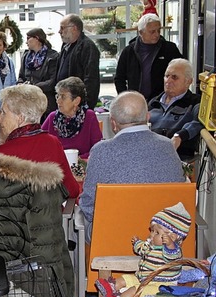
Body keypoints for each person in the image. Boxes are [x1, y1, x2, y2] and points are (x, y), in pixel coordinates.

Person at [79, 91, 185, 243]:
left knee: (80, 223)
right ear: (147, 117)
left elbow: (88, 204)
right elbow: (179, 197)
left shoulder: (100, 151)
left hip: (112, 238)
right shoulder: (168, 146)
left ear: (113, 123)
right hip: (163, 239)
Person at [95, 202, 191, 297]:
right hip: (143, 277)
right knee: (126, 278)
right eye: (152, 231)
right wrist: (137, 243)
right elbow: (141, 249)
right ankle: (111, 288)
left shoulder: (172, 250)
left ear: (172, 237)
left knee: (135, 290)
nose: (151, 235)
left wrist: (170, 245)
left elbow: (172, 256)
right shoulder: (151, 244)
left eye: (156, 232)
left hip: (161, 285)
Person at [0, 84, 79, 198]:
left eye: (3, 112)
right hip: (48, 215)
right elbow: (72, 190)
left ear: (20, 118)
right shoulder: (53, 143)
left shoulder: (0, 154)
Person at [114, 14, 183, 101]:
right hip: (136, 102)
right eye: (152, 31)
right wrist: (125, 98)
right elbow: (119, 78)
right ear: (141, 32)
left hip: (163, 102)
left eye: (158, 30)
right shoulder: (128, 52)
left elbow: (182, 72)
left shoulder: (169, 49)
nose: (157, 34)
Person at [148, 58, 203, 159]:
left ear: (188, 82)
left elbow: (199, 122)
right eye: (166, 76)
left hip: (176, 157)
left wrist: (179, 136)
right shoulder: (153, 102)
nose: (168, 81)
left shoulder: (195, 102)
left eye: (174, 77)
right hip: (149, 155)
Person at [41, 77, 103, 159]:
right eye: (57, 96)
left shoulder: (89, 116)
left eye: (63, 97)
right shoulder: (52, 117)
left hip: (82, 166)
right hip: (57, 167)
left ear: (76, 101)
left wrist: (77, 160)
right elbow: (40, 144)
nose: (58, 101)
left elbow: (98, 149)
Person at [56, 14, 100, 109]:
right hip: (66, 103)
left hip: (77, 104)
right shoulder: (65, 47)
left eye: (62, 28)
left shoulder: (87, 47)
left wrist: (85, 105)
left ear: (74, 28)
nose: (59, 31)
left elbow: (91, 78)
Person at [18, 27, 59, 118]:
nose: (26, 42)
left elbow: (52, 81)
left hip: (46, 102)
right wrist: (20, 84)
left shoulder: (53, 57)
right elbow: (21, 76)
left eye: (28, 38)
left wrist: (33, 87)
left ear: (37, 39)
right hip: (28, 103)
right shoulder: (25, 56)